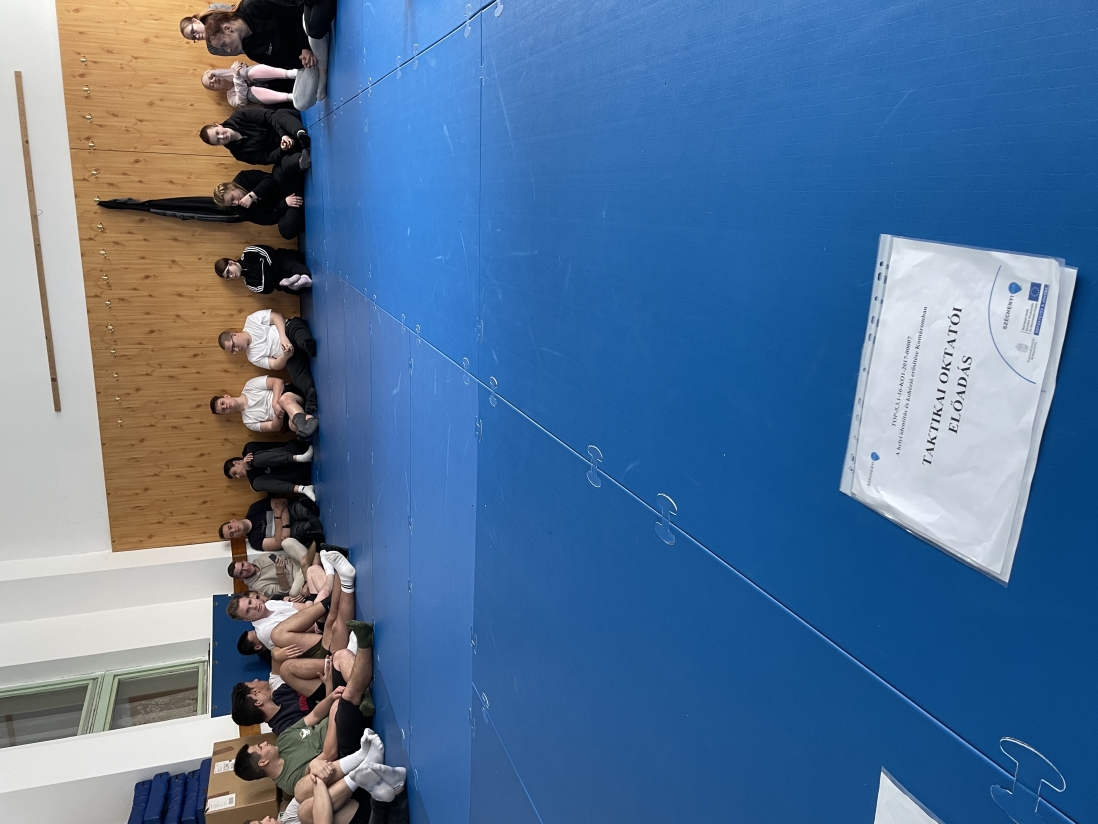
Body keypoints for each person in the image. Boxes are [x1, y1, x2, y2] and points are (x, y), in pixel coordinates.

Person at [234, 621, 407, 801]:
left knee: (340, 657)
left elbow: (314, 715)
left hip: (335, 716)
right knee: (347, 696)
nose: (264, 743)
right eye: (260, 747)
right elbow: (328, 755)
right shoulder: (290, 781)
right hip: (343, 745)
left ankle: (363, 694)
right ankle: (365, 645)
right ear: (263, 762)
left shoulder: (283, 740)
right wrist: (333, 713)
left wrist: (330, 697)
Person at [201, 0, 337, 99]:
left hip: (304, 16)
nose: (228, 51)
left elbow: (295, 11)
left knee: (314, 31)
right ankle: (319, 52)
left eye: (224, 44)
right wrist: (303, 60)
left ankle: (322, 71)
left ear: (227, 28)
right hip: (304, 53)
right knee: (301, 103)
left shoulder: (253, 6)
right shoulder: (250, 50)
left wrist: (305, 47)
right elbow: (284, 63)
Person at [219, 310, 317, 412]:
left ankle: (306, 344)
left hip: (287, 331)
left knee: (295, 328)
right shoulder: (252, 357)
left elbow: (276, 316)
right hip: (290, 355)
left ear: (234, 335)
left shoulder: (251, 321)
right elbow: (274, 365)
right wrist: (285, 356)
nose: (236, 349)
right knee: (296, 376)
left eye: (233, 345)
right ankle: (310, 394)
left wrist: (283, 337)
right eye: (233, 351)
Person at [210, 375, 318, 437]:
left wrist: (275, 403)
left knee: (284, 400)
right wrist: (278, 414)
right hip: (283, 417)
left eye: (222, 403)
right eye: (223, 410)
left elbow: (277, 382)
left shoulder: (249, 386)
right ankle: (308, 420)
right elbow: (274, 427)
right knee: (294, 426)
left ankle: (304, 422)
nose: (225, 407)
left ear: (226, 396)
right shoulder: (248, 421)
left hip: (290, 396)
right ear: (228, 414)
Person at [200, 106, 310, 167]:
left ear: (217, 125)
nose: (221, 137)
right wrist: (282, 149)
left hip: (287, 126)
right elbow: (267, 158)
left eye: (217, 133)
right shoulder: (239, 154)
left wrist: (283, 135)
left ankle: (300, 134)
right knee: (280, 169)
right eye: (218, 141)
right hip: (286, 149)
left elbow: (269, 116)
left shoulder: (239, 115)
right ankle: (302, 158)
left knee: (279, 113)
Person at [214, 168, 303, 239]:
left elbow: (269, 179)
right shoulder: (242, 212)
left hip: (285, 188)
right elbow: (269, 219)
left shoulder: (243, 177)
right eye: (231, 204)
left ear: (231, 187)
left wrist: (253, 195)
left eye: (233, 198)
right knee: (286, 231)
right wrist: (284, 203)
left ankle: (300, 195)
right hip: (286, 207)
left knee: (278, 171)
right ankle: (300, 200)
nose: (236, 202)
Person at [201, 60, 319, 110]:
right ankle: (291, 97)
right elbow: (242, 100)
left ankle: (291, 73)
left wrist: (217, 72)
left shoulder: (231, 70)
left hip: (275, 78)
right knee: (248, 94)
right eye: (211, 85)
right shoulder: (230, 98)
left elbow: (243, 69)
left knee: (247, 72)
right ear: (216, 90)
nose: (214, 81)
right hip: (273, 97)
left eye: (212, 77)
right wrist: (236, 77)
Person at [228, 537, 324, 597]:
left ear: (244, 561)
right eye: (241, 572)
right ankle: (316, 551)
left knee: (286, 542)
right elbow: (284, 591)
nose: (245, 568)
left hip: (295, 561)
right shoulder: (258, 587)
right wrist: (280, 573)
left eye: (243, 565)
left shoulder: (260, 559)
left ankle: (311, 564)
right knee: (293, 593)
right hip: (297, 577)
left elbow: (285, 556)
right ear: (240, 578)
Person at [219, 495, 322, 551]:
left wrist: (285, 526)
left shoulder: (254, 509)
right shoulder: (255, 542)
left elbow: (282, 502)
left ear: (233, 521)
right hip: (292, 532)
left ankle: (309, 510)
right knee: (299, 532)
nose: (234, 530)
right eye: (232, 534)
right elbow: (278, 543)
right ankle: (312, 525)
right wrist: (277, 515)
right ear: (237, 537)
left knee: (297, 509)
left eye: (230, 527)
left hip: (289, 512)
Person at [226, 440, 313, 496]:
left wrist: (249, 462)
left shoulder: (248, 448)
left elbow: (251, 450)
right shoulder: (253, 479)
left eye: (235, 473)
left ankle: (300, 458)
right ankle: (303, 489)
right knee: (256, 484)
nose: (238, 476)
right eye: (236, 477)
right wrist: (249, 468)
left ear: (236, 462)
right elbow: (256, 486)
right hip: (299, 474)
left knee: (255, 460)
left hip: (297, 451)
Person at [216, 245, 312, 293]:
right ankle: (297, 282)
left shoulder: (248, 253)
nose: (231, 276)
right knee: (285, 286)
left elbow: (270, 253)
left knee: (289, 264)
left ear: (231, 262)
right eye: (228, 277)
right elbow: (268, 289)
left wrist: (268, 276)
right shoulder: (249, 283)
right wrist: (264, 263)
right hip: (281, 280)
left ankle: (304, 277)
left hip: (282, 259)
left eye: (228, 272)